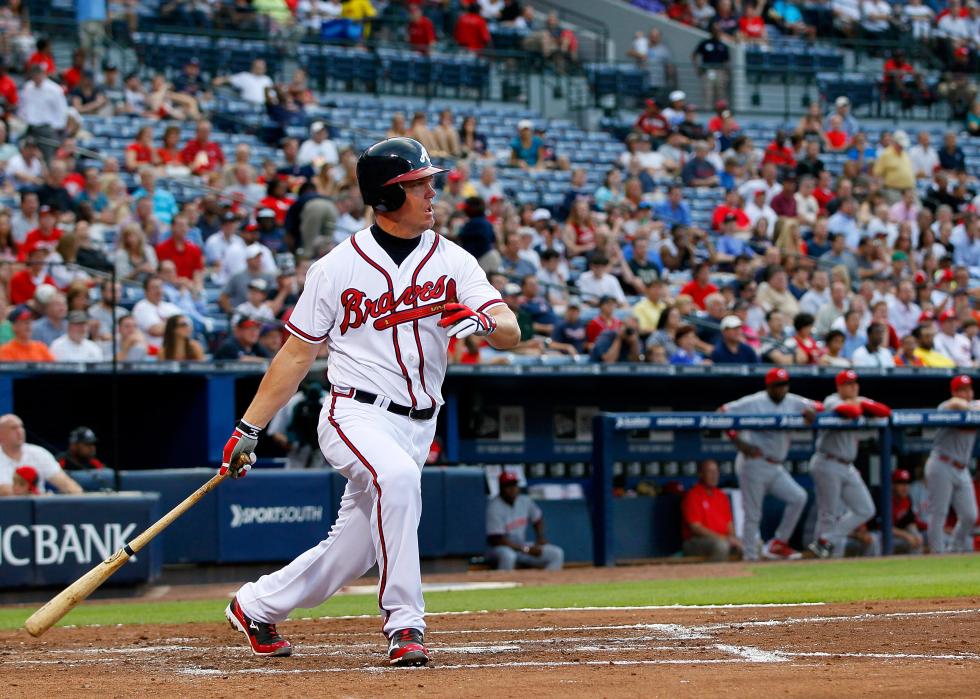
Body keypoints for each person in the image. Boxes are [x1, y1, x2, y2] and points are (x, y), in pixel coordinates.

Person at [221, 137, 520, 663]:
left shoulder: (453, 259)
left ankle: (256, 605)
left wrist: (483, 322)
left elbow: (511, 330)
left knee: (350, 553)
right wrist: (248, 427)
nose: (433, 193)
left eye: (431, 182)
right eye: (419, 184)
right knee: (397, 481)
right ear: (387, 197)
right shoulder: (336, 267)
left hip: (418, 424)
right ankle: (406, 624)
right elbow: (294, 356)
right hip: (353, 412)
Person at [719, 368, 817, 560]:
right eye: (777, 385)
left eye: (784, 384)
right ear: (769, 386)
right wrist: (739, 442)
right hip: (754, 462)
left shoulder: (792, 400)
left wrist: (812, 411)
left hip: (776, 466)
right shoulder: (754, 401)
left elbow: (818, 407)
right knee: (753, 513)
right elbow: (722, 412)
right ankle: (750, 557)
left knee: (798, 497)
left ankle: (778, 543)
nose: (782, 389)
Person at [808, 370, 891, 558]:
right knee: (828, 513)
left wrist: (861, 402)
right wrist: (860, 404)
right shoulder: (832, 400)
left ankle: (824, 541)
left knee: (866, 509)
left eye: (855, 383)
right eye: (848, 384)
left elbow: (886, 412)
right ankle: (823, 557)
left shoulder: (858, 399)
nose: (853, 387)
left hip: (847, 465)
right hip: (827, 461)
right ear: (839, 387)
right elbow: (851, 412)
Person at [924, 375, 979, 554]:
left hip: (962, 468)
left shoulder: (975, 406)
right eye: (962, 390)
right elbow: (956, 404)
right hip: (941, 463)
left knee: (971, 515)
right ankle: (937, 554)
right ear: (954, 392)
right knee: (938, 513)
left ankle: (955, 547)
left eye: (969, 389)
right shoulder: (946, 406)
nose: (967, 393)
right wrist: (972, 407)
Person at [486, 470, 564, 571]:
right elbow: (497, 540)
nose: (513, 489)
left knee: (556, 553)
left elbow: (538, 518)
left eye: (514, 485)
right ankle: (504, 584)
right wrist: (526, 549)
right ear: (501, 488)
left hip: (521, 546)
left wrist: (540, 537)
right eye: (508, 486)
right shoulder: (494, 507)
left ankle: (544, 584)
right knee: (508, 556)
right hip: (499, 549)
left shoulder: (524, 501)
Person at [0, 413, 81, 495]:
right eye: (13, 428)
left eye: (21, 427)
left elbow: (66, 483)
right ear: (1, 434)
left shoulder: (39, 453)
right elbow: (4, 491)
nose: (19, 431)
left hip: (38, 506)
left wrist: (78, 498)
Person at [681, 459, 740, 561]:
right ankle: (714, 575)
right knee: (721, 546)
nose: (714, 475)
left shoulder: (721, 496)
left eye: (716, 471)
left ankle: (743, 575)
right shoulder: (693, 495)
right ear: (701, 474)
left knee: (753, 545)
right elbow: (696, 528)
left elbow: (729, 523)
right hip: (696, 542)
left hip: (723, 539)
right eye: (710, 472)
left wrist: (733, 538)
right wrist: (723, 538)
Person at [891, 468, 925, 555]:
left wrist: (915, 534)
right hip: (880, 534)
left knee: (918, 538)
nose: (905, 487)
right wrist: (907, 536)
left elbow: (910, 521)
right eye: (901, 483)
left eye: (907, 483)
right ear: (893, 485)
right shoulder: (886, 500)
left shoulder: (907, 499)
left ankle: (915, 566)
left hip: (899, 533)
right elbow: (884, 528)